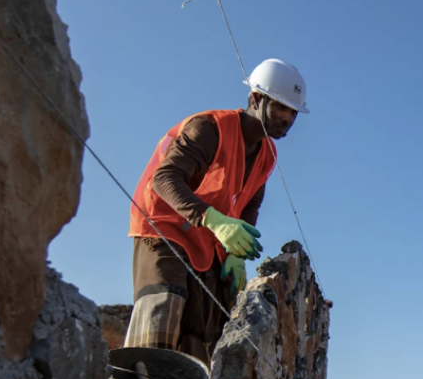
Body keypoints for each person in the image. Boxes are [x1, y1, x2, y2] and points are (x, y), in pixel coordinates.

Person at [123, 59, 308, 360]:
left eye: (293, 112)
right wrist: (215, 220)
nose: (287, 118)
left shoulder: (268, 154)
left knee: (206, 330)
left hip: (208, 240)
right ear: (256, 99)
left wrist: (235, 253)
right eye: (280, 107)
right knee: (163, 312)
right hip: (165, 228)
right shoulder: (210, 128)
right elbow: (165, 178)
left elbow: (251, 203)